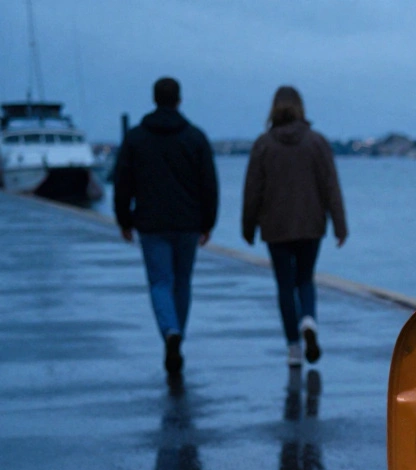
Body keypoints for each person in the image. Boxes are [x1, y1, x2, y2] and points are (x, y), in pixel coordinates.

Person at [113, 77, 218, 376]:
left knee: (160, 282)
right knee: (182, 282)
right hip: (187, 223)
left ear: (154, 99)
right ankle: (176, 337)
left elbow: (123, 182)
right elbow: (209, 185)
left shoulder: (135, 138)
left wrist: (124, 219)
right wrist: (208, 221)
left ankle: (169, 332)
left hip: (151, 222)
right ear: (179, 100)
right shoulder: (195, 138)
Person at [241, 86, 347, 367]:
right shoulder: (317, 142)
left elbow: (253, 189)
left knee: (285, 286)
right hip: (311, 224)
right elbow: (330, 187)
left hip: (275, 227)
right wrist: (340, 225)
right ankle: (309, 321)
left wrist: (248, 226)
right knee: (305, 278)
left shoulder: (263, 144)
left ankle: (293, 348)